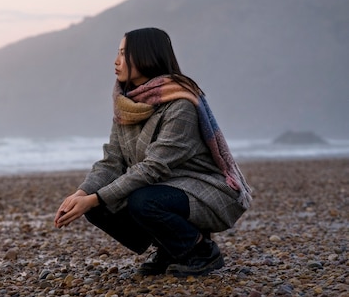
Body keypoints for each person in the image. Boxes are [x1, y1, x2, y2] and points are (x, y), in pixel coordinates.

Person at [54, 27, 252, 277]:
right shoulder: (127, 103)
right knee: (96, 202)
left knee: (141, 201)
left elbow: (153, 167)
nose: (116, 61)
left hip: (204, 191)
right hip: (163, 187)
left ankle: (200, 250)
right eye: (117, 53)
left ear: (146, 56)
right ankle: (171, 248)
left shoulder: (180, 104)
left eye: (124, 54)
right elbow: (112, 162)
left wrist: (93, 198)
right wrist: (81, 194)